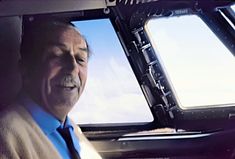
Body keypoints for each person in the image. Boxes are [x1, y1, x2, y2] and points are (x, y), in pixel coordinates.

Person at [0, 18, 102, 159]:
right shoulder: (6, 138)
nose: (73, 68)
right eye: (57, 55)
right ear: (25, 68)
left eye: (80, 58)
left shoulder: (69, 128)